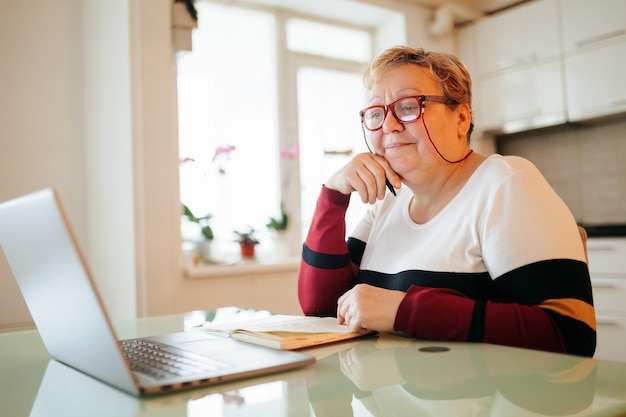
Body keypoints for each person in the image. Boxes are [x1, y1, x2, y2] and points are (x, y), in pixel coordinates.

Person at [298, 46, 596, 357]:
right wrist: (333, 195)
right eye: (376, 113)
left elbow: (570, 334)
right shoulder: (389, 203)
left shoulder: (504, 182)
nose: (388, 125)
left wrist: (404, 311)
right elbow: (321, 309)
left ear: (461, 118)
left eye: (409, 106)